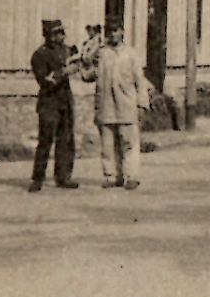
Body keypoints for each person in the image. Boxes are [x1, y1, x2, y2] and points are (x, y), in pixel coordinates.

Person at [80, 23, 149, 190]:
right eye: (109, 31)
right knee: (107, 145)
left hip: (126, 105)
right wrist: (87, 60)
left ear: (122, 32)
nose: (112, 34)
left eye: (115, 30)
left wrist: (142, 103)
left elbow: (140, 81)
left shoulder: (131, 54)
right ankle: (112, 176)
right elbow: (88, 76)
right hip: (106, 104)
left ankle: (132, 176)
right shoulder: (101, 54)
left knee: (129, 143)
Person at [28, 20, 80, 192]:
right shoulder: (39, 55)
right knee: (45, 141)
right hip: (49, 102)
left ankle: (63, 177)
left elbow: (80, 65)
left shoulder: (67, 51)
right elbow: (45, 81)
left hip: (65, 101)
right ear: (48, 35)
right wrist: (64, 72)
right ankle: (38, 178)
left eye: (62, 33)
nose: (61, 37)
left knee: (66, 140)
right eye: (56, 33)